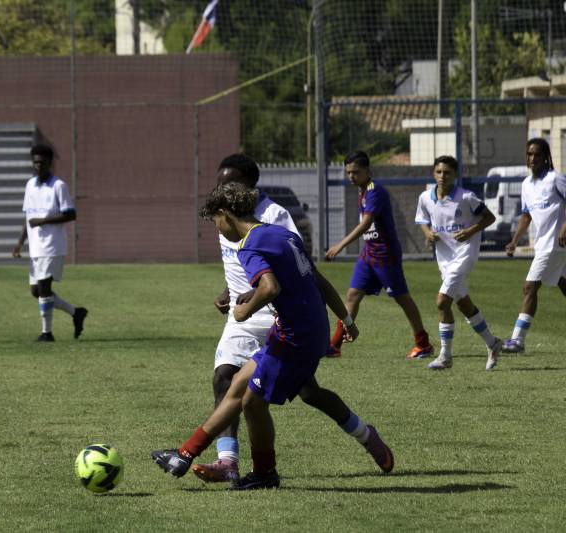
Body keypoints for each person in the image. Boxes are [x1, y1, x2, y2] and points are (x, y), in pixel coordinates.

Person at [151, 182, 394, 490]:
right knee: (240, 385)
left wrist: (243, 311)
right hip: (304, 326)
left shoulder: (248, 245)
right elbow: (315, 280)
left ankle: (265, 474)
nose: (218, 230)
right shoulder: (282, 233)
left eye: (215, 223)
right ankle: (184, 454)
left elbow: (271, 288)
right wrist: (346, 319)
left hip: (297, 336)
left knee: (253, 402)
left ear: (225, 214)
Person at [191, 154, 300, 483]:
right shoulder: (224, 213)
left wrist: (255, 295)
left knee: (311, 393)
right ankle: (228, 462)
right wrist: (228, 290)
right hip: (241, 317)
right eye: (220, 182)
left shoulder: (274, 215)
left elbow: (293, 261)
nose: (222, 188)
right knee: (224, 377)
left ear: (251, 185)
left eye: (230, 183)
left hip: (277, 314)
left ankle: (364, 433)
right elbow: (241, 263)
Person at [325, 151, 433, 359]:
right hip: (368, 254)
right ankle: (335, 345)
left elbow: (366, 223)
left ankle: (423, 343)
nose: (351, 177)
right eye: (348, 173)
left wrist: (340, 245)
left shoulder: (376, 192)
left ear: (368, 171)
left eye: (355, 172)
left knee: (402, 298)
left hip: (385, 255)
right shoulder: (362, 191)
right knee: (352, 295)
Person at [414, 155, 502, 371]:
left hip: (464, 253)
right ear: (434, 173)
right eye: (439, 172)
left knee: (442, 302)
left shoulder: (466, 197)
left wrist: (470, 230)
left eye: (448, 172)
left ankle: (445, 356)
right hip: (444, 257)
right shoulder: (425, 197)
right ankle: (493, 343)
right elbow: (423, 221)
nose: (443, 176)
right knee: (463, 304)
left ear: (455, 175)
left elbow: (489, 218)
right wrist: (428, 234)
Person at [12, 144, 87, 342]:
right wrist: (20, 243)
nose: (38, 166)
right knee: (36, 291)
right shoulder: (30, 185)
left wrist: (44, 220)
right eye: (35, 162)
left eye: (42, 163)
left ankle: (47, 333)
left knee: (44, 288)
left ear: (50, 163)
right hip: (35, 246)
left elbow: (71, 214)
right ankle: (75, 312)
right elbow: (28, 216)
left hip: (52, 245)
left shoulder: (58, 186)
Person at [502, 138, 566, 353]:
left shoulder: (555, 179)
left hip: (555, 244)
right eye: (529, 154)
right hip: (543, 245)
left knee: (530, 287)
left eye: (537, 154)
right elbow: (526, 215)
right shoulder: (526, 184)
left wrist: (564, 228)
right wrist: (514, 240)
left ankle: (517, 341)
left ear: (546, 156)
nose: (532, 158)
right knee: (563, 284)